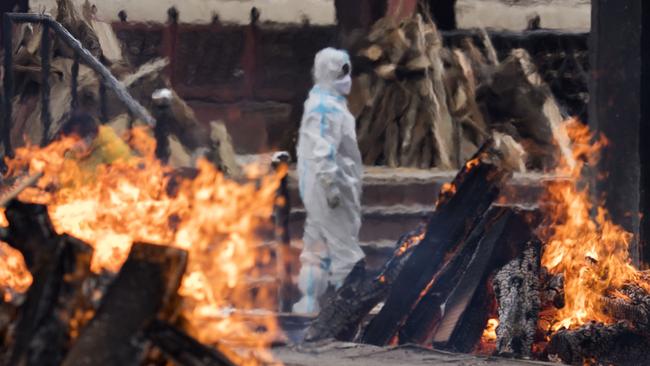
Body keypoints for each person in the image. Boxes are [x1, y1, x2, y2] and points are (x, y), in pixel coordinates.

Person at [293, 47, 365, 314]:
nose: (347, 78)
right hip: (332, 187)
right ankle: (349, 309)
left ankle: (310, 303)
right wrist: (330, 185)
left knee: (315, 247)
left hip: (321, 187)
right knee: (345, 248)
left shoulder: (323, 103)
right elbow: (322, 149)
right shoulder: (326, 109)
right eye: (342, 71)